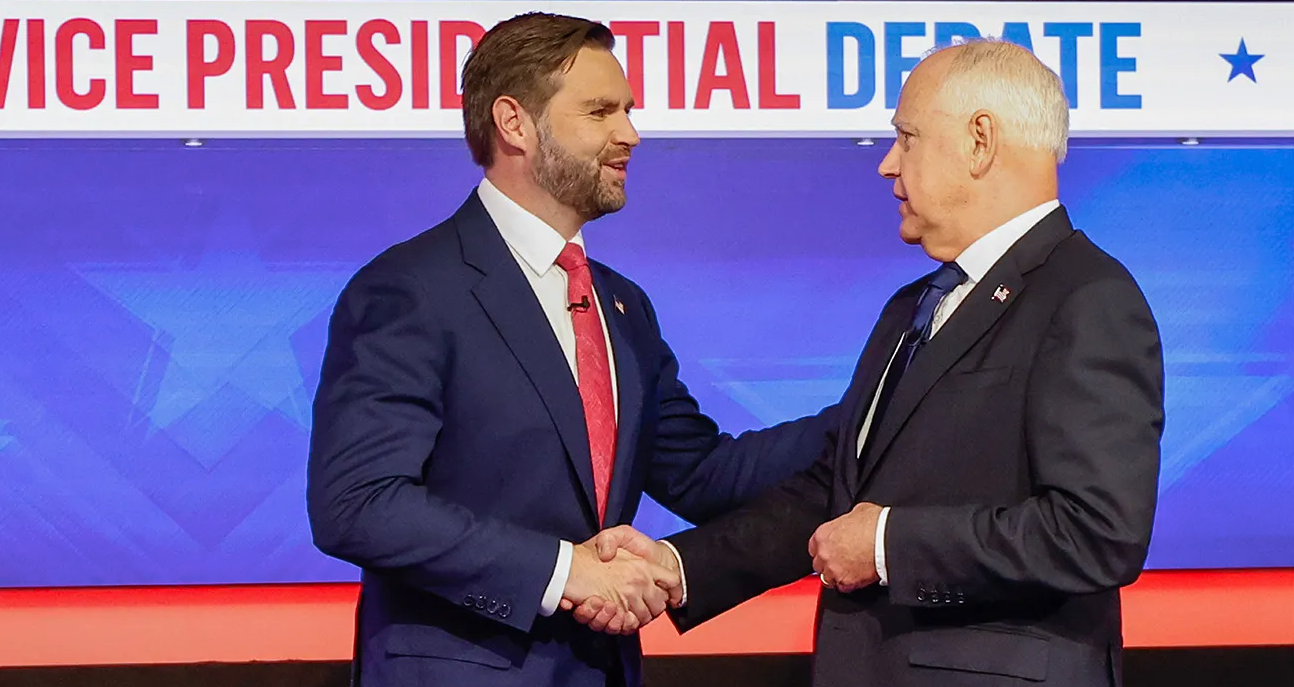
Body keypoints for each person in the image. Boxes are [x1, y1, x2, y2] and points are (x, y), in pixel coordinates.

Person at [583, 38, 1165, 687]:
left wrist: (890, 544)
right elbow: (835, 494)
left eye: (907, 137)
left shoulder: (1086, 299)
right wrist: (677, 566)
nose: (889, 165)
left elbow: (1097, 532)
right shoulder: (912, 306)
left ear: (980, 141)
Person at [305, 11, 836, 687]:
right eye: (600, 112)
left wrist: (878, 412)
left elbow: (703, 472)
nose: (630, 134)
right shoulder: (412, 289)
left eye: (629, 111)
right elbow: (359, 503)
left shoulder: (622, 305)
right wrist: (564, 572)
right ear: (514, 122)